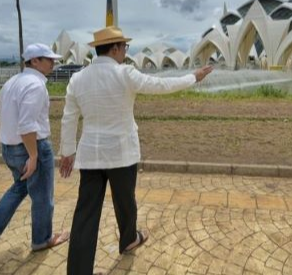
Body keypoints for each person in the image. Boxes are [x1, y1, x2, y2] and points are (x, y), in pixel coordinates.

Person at [59, 26, 212, 275]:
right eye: (124, 48)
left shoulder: (78, 78)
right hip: (121, 153)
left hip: (91, 155)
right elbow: (161, 84)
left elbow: (68, 118)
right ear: (116, 48)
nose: (125, 53)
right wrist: (193, 77)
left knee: (85, 214)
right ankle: (128, 239)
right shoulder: (125, 73)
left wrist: (67, 152)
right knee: (125, 201)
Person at [0, 43, 69, 263]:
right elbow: (27, 125)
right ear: (34, 61)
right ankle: (42, 240)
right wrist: (33, 156)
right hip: (32, 147)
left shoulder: (11, 83)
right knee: (42, 197)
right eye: (48, 59)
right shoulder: (36, 85)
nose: (53, 62)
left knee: (18, 189)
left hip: (9, 147)